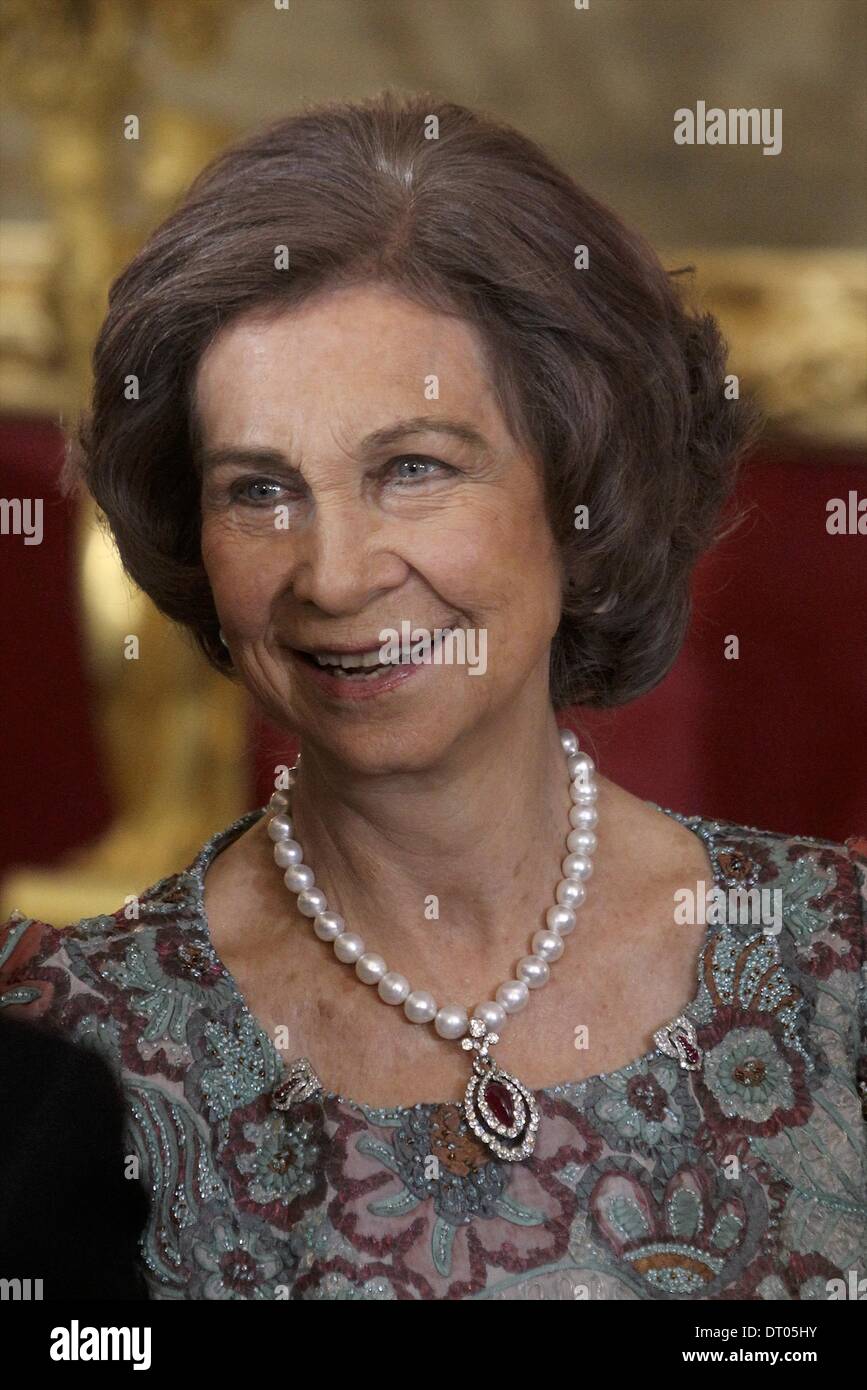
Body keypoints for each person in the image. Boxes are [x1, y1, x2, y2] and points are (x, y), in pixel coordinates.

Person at [2, 90, 864, 1301]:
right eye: (258, 489)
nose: (335, 573)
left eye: (412, 469)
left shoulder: (842, 966)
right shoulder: (54, 1048)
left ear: (580, 488)